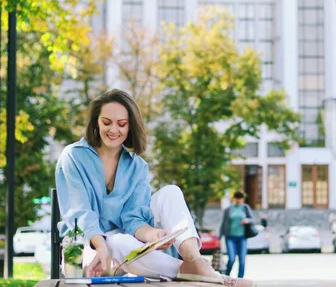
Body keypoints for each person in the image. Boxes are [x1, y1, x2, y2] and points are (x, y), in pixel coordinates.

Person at [56, 89, 254, 286]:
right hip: (88, 247)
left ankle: (194, 260)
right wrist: (101, 246)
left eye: (122, 124)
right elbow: (79, 211)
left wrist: (152, 234)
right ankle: (210, 276)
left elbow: (133, 217)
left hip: (129, 250)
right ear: (96, 123)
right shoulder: (73, 156)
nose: (114, 130)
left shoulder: (137, 166)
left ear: (130, 126)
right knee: (117, 243)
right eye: (106, 122)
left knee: (171, 192)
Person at [219, 191, 255, 278]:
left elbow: (253, 219)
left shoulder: (245, 208)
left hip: (242, 238)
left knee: (242, 260)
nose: (239, 200)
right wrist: (220, 237)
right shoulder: (229, 209)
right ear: (234, 199)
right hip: (230, 237)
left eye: (240, 198)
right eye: (237, 198)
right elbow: (224, 223)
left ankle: (240, 279)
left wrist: (247, 220)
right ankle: (226, 276)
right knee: (231, 259)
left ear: (243, 199)